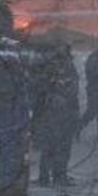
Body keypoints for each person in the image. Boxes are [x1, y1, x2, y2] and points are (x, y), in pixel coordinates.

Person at [34, 45, 79, 187]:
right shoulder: (47, 70)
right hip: (51, 116)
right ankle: (50, 177)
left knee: (59, 149)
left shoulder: (67, 69)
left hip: (62, 115)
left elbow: (73, 91)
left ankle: (56, 176)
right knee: (52, 148)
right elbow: (39, 91)